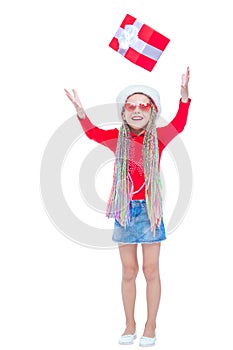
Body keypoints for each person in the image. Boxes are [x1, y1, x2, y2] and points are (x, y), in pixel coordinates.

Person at [64, 67, 191, 347]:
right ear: (123, 113)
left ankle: (150, 325)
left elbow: (179, 125)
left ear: (152, 112)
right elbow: (94, 133)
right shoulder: (116, 139)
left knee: (151, 270)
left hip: (149, 210)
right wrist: (82, 114)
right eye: (130, 106)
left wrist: (184, 99)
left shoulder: (158, 138)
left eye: (143, 106)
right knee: (129, 271)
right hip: (125, 211)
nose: (136, 110)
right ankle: (129, 323)